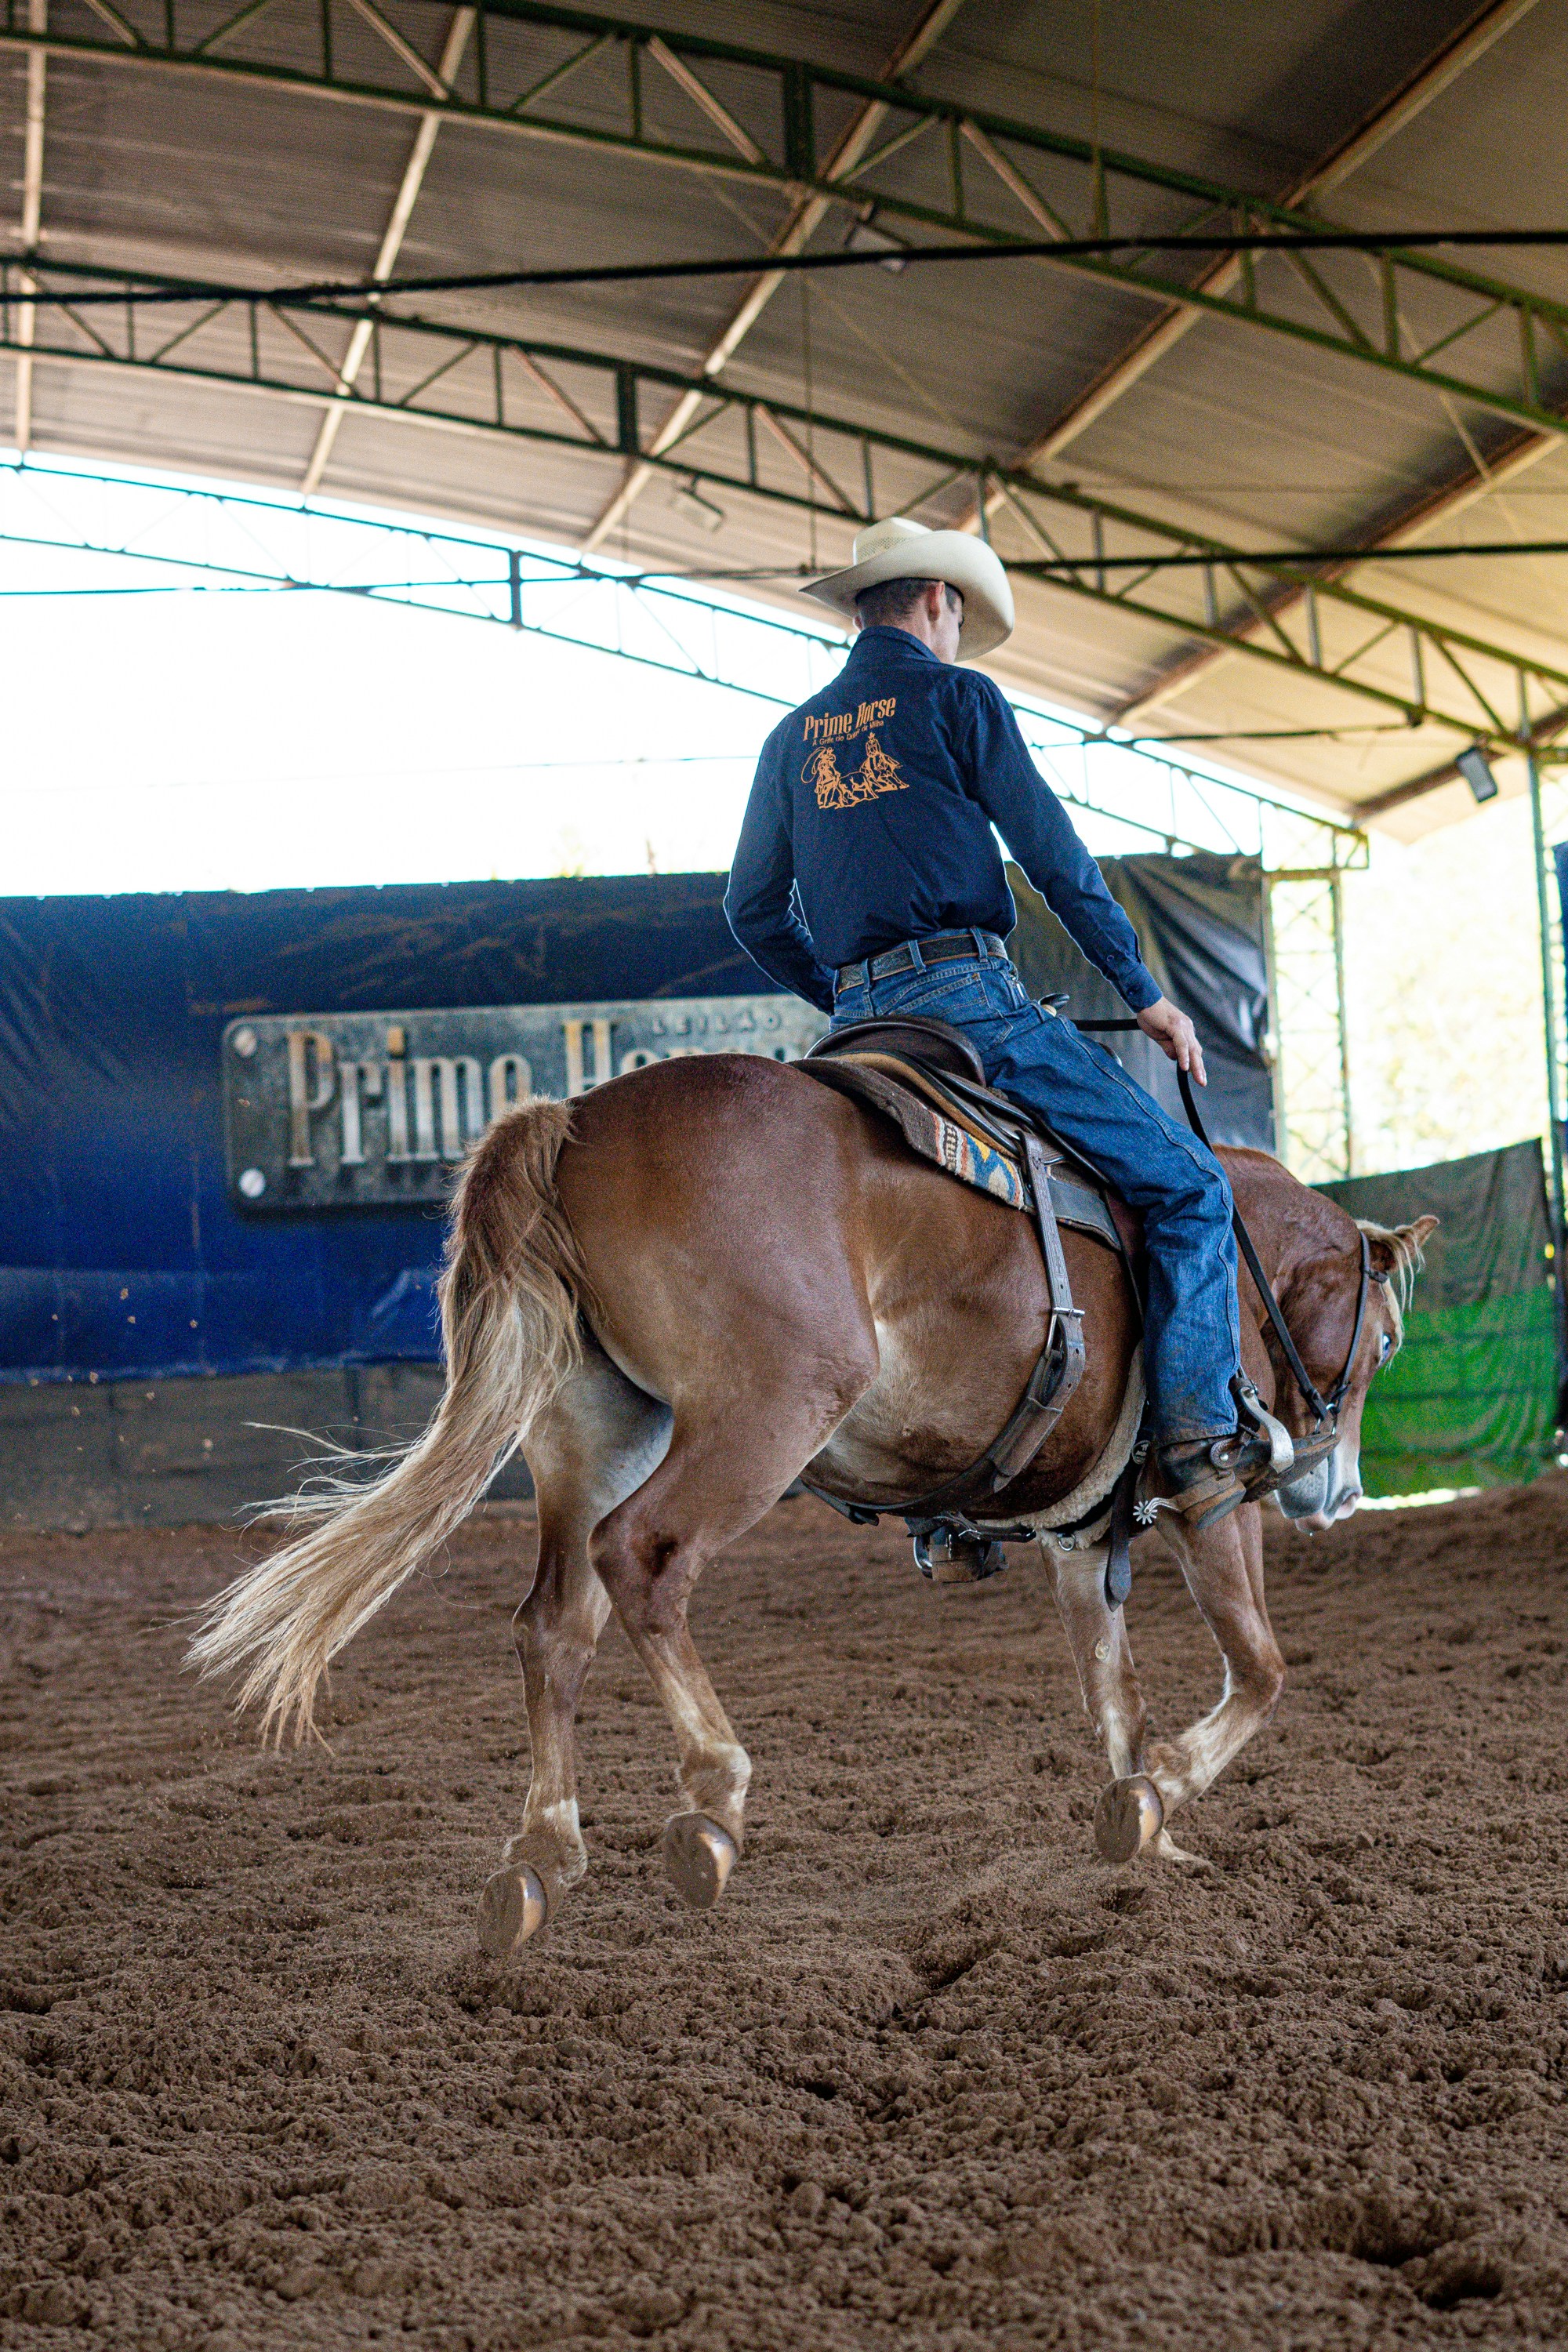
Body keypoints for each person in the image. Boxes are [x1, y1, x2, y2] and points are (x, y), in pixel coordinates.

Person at [723, 514, 1268, 1526]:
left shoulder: (791, 738)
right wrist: (1145, 995)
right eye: (958, 615)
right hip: (970, 1005)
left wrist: (844, 999)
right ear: (938, 600)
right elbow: (1059, 862)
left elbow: (750, 910)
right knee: (1192, 1189)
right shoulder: (958, 696)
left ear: (863, 609)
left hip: (854, 1029)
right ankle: (1196, 1438)